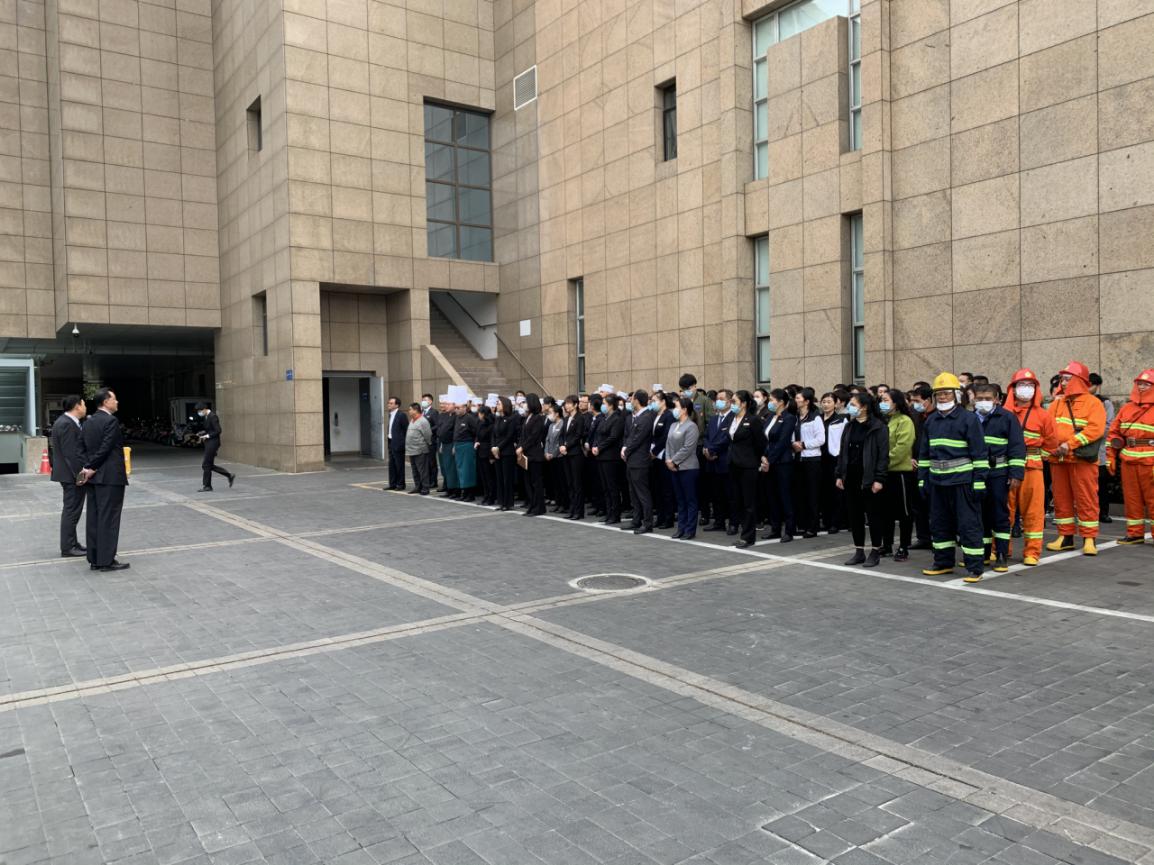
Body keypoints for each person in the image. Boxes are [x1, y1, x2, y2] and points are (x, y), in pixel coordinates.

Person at [918, 372, 987, 582]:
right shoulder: (931, 421)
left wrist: (979, 480)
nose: (942, 397)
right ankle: (943, 562)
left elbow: (979, 453)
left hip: (962, 482)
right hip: (937, 482)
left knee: (968, 525)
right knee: (939, 524)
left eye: (946, 393)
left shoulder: (969, 419)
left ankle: (975, 568)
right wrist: (922, 479)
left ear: (956, 395)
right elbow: (924, 454)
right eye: (938, 393)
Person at [1045, 361, 1107, 556]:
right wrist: (1051, 448)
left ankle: (1089, 538)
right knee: (1061, 499)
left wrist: (1069, 444)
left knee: (1086, 499)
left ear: (1079, 380)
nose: (1063, 383)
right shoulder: (1057, 403)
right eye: (1062, 379)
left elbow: (1095, 430)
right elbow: (1047, 427)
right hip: (1059, 459)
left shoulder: (1093, 403)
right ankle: (1066, 537)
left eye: (1067, 379)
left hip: (1081, 460)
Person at [1004, 368, 1059, 565]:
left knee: (1033, 512)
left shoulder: (1044, 415)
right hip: (1007, 467)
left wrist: (1036, 456)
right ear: (1013, 388)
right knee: (1004, 510)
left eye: (1030, 385)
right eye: (1022, 385)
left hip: (1032, 468)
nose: (1026, 388)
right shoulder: (1003, 414)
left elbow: (1052, 443)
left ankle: (1032, 552)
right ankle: (1000, 549)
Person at [972, 383, 1026, 572]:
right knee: (980, 515)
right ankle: (985, 554)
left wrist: (1016, 474)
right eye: (979, 398)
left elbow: (1017, 447)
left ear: (997, 399)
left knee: (999, 514)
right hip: (976, 474)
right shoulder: (970, 418)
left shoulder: (1007, 418)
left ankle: (1001, 554)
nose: (983, 402)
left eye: (987, 398)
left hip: (998, 473)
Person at [836, 391, 889, 567]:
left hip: (870, 477)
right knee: (855, 515)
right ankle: (859, 551)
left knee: (874, 516)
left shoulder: (878, 427)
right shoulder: (849, 426)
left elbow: (883, 456)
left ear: (864, 407)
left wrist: (879, 478)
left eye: (853, 404)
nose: (850, 407)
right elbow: (842, 452)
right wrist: (839, 474)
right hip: (851, 476)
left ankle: (875, 551)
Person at [79, 388, 129, 571]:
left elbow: (81, 448)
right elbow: (106, 448)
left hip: (93, 479)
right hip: (109, 477)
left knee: (94, 517)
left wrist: (87, 467)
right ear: (106, 401)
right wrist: (92, 467)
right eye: (114, 399)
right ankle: (106, 560)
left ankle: (94, 558)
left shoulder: (88, 421)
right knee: (109, 518)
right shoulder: (110, 421)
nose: (117, 402)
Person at [1106, 369, 1154, 545]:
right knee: (1132, 499)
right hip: (1128, 461)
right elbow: (1113, 434)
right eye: (1139, 383)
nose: (1141, 387)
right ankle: (1135, 534)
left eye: (1146, 384)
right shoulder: (1127, 408)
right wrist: (1111, 457)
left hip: (1150, 462)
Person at [49, 395, 89, 557]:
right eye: (84, 405)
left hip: (68, 474)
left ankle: (73, 543)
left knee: (72, 510)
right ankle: (68, 547)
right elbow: (71, 454)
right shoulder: (66, 424)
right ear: (77, 406)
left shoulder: (67, 422)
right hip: (71, 476)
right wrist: (80, 476)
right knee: (71, 511)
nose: (85, 408)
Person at [878, 390, 915, 562]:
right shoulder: (885, 420)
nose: (882, 403)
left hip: (900, 473)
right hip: (885, 473)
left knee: (904, 512)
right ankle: (886, 545)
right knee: (885, 512)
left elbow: (902, 448)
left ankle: (903, 546)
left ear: (896, 402)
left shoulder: (905, 421)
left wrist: (883, 463)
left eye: (886, 400)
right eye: (881, 400)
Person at [728, 390, 766, 549]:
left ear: (743, 403)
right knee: (738, 500)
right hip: (734, 464)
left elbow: (761, 443)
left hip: (748, 465)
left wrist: (757, 459)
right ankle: (744, 532)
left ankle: (748, 536)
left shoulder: (753, 420)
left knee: (749, 502)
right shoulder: (732, 418)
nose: (732, 404)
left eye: (734, 402)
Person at [760, 388, 797, 543]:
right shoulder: (770, 417)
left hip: (782, 462)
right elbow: (764, 439)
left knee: (785, 496)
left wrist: (770, 460)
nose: (769, 403)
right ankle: (775, 528)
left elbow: (783, 442)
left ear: (781, 402)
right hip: (768, 461)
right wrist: (763, 457)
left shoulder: (789, 418)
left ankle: (789, 530)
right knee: (771, 496)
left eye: (772, 400)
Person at [665, 396, 701, 540]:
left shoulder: (691, 426)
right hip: (673, 467)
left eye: (677, 407)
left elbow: (688, 448)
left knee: (690, 500)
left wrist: (673, 461)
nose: (674, 410)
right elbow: (668, 444)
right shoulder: (673, 425)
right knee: (680, 500)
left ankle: (690, 530)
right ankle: (681, 528)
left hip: (688, 468)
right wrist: (668, 459)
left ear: (685, 409)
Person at [791, 387, 825, 538]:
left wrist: (804, 445)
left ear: (807, 401)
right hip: (798, 459)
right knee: (800, 493)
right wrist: (793, 444)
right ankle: (802, 524)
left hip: (812, 459)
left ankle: (812, 526)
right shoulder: (796, 417)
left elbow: (821, 439)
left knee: (812, 494)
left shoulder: (815, 417)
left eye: (798, 398)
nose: (796, 400)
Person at [621, 389, 656, 534]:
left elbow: (638, 438)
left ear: (637, 400)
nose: (630, 402)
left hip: (640, 460)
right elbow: (630, 436)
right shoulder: (637, 416)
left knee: (642, 493)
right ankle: (636, 520)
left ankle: (647, 523)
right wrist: (625, 448)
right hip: (632, 460)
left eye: (632, 399)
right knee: (633, 493)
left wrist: (626, 450)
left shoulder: (646, 417)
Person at [703, 389, 735, 534]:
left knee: (730, 495)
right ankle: (718, 521)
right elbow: (706, 436)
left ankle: (733, 523)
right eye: (717, 399)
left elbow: (726, 439)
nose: (718, 401)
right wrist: (707, 450)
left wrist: (712, 450)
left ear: (729, 401)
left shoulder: (733, 417)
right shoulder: (714, 418)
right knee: (716, 494)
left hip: (725, 460)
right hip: (712, 461)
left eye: (722, 399)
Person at [592, 394, 624, 523]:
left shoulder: (617, 419)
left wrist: (599, 447)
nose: (602, 406)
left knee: (612, 486)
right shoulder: (604, 418)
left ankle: (615, 514)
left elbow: (613, 437)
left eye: (604, 403)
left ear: (610, 405)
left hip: (611, 457)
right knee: (605, 487)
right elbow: (597, 434)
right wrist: (595, 445)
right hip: (601, 456)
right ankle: (609, 512)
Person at [819, 390, 847, 535]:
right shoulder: (817, 419)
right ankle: (826, 520)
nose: (826, 405)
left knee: (835, 491)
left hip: (834, 459)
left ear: (836, 404)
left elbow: (843, 441)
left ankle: (836, 522)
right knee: (823, 491)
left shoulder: (841, 420)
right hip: (819, 458)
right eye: (823, 402)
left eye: (829, 402)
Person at [1089, 372, 1115, 524]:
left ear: (1098, 386)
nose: (1088, 388)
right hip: (1082, 449)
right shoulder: (1079, 402)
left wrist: (1089, 433)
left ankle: (1103, 512)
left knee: (1101, 483)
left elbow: (1109, 426)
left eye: (1091, 385)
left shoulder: (1105, 403)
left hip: (1099, 449)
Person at [194, 403, 236, 492]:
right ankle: (229, 475)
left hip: (213, 443)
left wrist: (207, 436)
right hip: (209, 443)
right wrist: (202, 433)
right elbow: (209, 429)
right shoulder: (206, 416)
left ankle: (207, 486)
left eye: (200, 411)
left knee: (206, 465)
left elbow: (218, 430)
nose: (199, 413)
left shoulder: (213, 416)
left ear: (204, 409)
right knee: (208, 465)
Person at [649, 391, 676, 529]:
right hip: (654, 457)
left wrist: (654, 451)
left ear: (663, 401)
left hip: (664, 455)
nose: (652, 403)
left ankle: (668, 518)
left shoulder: (669, 416)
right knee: (657, 489)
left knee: (666, 489)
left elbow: (666, 436)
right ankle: (660, 517)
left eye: (654, 400)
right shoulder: (654, 415)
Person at [518, 393, 547, 516]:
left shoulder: (538, 418)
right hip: (526, 455)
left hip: (535, 455)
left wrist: (522, 447)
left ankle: (538, 507)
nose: (524, 405)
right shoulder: (527, 418)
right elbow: (523, 435)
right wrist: (520, 447)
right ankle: (532, 505)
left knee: (536, 482)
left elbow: (534, 437)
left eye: (526, 402)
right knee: (528, 482)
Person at [560, 395, 587, 520]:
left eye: (569, 403)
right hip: (566, 453)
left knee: (577, 483)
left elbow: (578, 436)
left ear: (575, 405)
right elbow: (562, 435)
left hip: (575, 453)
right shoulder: (566, 419)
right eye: (566, 403)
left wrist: (566, 446)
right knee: (569, 483)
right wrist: (561, 445)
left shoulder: (580, 418)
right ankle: (572, 509)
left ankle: (578, 511)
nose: (567, 405)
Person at [491, 396, 517, 510]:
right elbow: (493, 434)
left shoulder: (511, 419)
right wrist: (493, 447)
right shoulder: (497, 418)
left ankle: (508, 503)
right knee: (499, 478)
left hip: (507, 452)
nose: (497, 405)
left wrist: (498, 447)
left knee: (507, 479)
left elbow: (509, 436)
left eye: (499, 403)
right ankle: (501, 502)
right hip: (497, 452)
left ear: (505, 405)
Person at [453, 400, 479, 502]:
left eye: (458, 408)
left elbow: (477, 432)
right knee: (461, 471)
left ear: (464, 407)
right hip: (458, 445)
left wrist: (475, 442)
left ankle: (470, 493)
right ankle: (464, 491)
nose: (456, 410)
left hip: (467, 445)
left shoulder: (469, 418)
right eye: (455, 408)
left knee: (468, 470)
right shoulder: (457, 418)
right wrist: (454, 445)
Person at [404, 403, 433, 495]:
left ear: (416, 410)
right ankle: (418, 486)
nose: (409, 411)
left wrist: (427, 445)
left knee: (422, 470)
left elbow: (428, 435)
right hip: (411, 450)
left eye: (410, 409)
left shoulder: (423, 421)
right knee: (415, 470)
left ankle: (425, 488)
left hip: (420, 450)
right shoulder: (412, 420)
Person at [435, 398, 459, 498]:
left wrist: (454, 445)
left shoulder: (456, 416)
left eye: (448, 404)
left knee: (452, 469)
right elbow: (441, 429)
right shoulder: (445, 416)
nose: (446, 406)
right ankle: (449, 489)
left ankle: (455, 491)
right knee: (447, 468)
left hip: (451, 444)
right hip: (444, 444)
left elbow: (455, 432)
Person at [475, 404, 496, 506]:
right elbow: (477, 435)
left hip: (487, 452)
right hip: (480, 451)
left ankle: (491, 497)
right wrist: (476, 441)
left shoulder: (491, 425)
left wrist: (492, 456)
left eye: (479, 413)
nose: (478, 415)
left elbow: (492, 441)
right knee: (483, 476)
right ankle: (486, 495)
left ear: (484, 414)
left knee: (489, 476)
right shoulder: (480, 423)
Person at [385, 396, 408, 490]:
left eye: (391, 403)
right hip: (391, 441)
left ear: (397, 405)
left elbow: (406, 429)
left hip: (398, 443)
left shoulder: (401, 415)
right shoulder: (390, 414)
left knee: (399, 465)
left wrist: (402, 443)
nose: (389, 405)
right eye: (388, 403)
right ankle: (392, 484)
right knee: (392, 465)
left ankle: (401, 484)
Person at [420, 393, 439, 489]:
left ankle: (433, 481)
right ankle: (426, 480)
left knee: (431, 462)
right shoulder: (421, 412)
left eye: (425, 400)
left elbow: (437, 425)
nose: (423, 401)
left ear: (430, 401)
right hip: (422, 441)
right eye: (422, 400)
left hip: (431, 441)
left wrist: (429, 430)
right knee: (424, 462)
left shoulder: (433, 412)